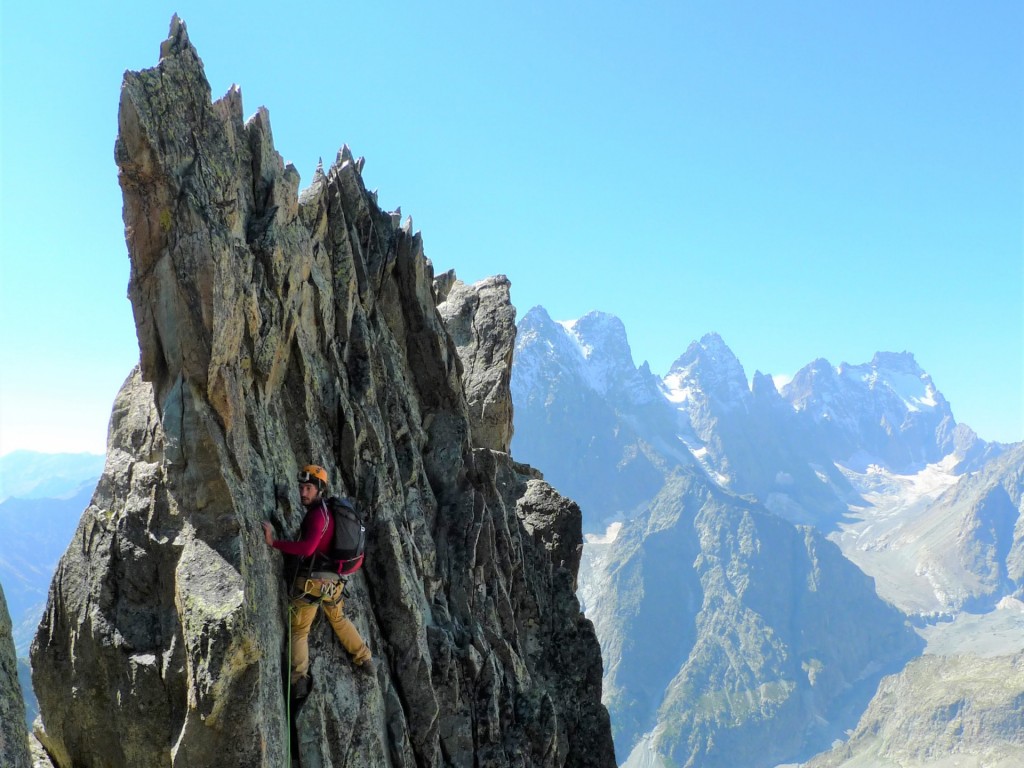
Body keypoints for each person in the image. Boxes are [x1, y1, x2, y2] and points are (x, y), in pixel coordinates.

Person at [263, 464, 372, 697]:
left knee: (300, 630)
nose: (303, 492)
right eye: (302, 487)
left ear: (320, 489)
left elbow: (307, 547)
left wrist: (274, 543)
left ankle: (299, 680)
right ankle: (364, 658)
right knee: (339, 618)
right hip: (333, 582)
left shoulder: (317, 516)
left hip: (312, 582)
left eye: (309, 488)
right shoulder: (329, 511)